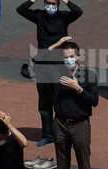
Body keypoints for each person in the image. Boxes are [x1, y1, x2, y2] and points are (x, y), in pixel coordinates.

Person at [15, 1, 83, 148]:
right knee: (45, 104)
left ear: (58, 4)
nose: (50, 6)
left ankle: (68, 136)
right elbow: (20, 9)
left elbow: (78, 11)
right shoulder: (39, 15)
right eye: (47, 3)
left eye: (53, 3)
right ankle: (47, 135)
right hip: (43, 66)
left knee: (64, 102)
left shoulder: (64, 17)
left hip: (60, 67)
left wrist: (66, 0)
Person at [52, 41, 98, 169]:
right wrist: (56, 44)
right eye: (65, 58)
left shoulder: (89, 75)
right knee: (62, 162)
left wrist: (77, 88)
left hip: (80, 124)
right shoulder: (56, 74)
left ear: (78, 56)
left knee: (83, 162)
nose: (69, 60)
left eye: (72, 57)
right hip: (60, 123)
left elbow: (94, 101)